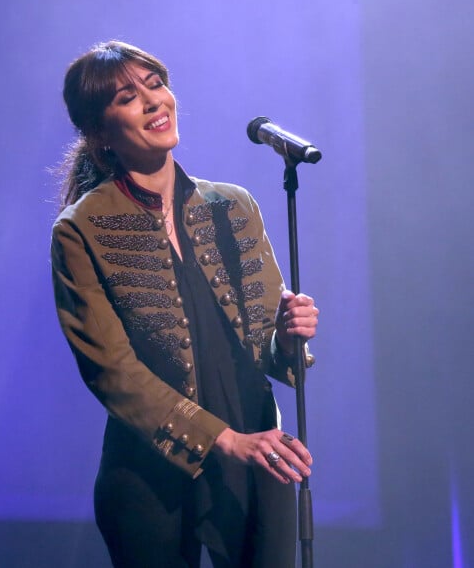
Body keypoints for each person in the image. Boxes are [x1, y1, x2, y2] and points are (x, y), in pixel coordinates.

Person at [51, 40, 319, 568]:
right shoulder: (80, 229)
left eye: (156, 85)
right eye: (129, 97)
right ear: (100, 133)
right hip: (150, 474)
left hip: (257, 452)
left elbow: (267, 343)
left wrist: (288, 335)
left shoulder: (232, 205)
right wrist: (220, 440)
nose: (154, 102)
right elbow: (113, 372)